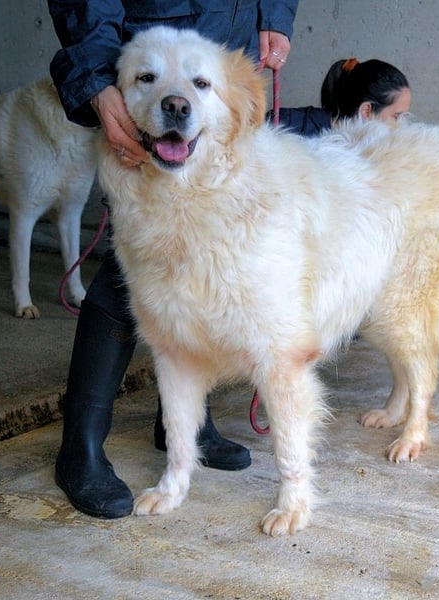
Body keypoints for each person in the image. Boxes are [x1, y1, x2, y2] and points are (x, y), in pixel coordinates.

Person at [47, 0, 300, 520]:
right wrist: (97, 79)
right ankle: (81, 448)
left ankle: (184, 421)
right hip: (147, 38)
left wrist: (273, 12)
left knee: (199, 263)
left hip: (225, 47)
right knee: (135, 267)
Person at [271, 57, 412, 135]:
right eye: (397, 117)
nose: (403, 126)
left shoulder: (376, 154)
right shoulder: (285, 125)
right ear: (366, 111)